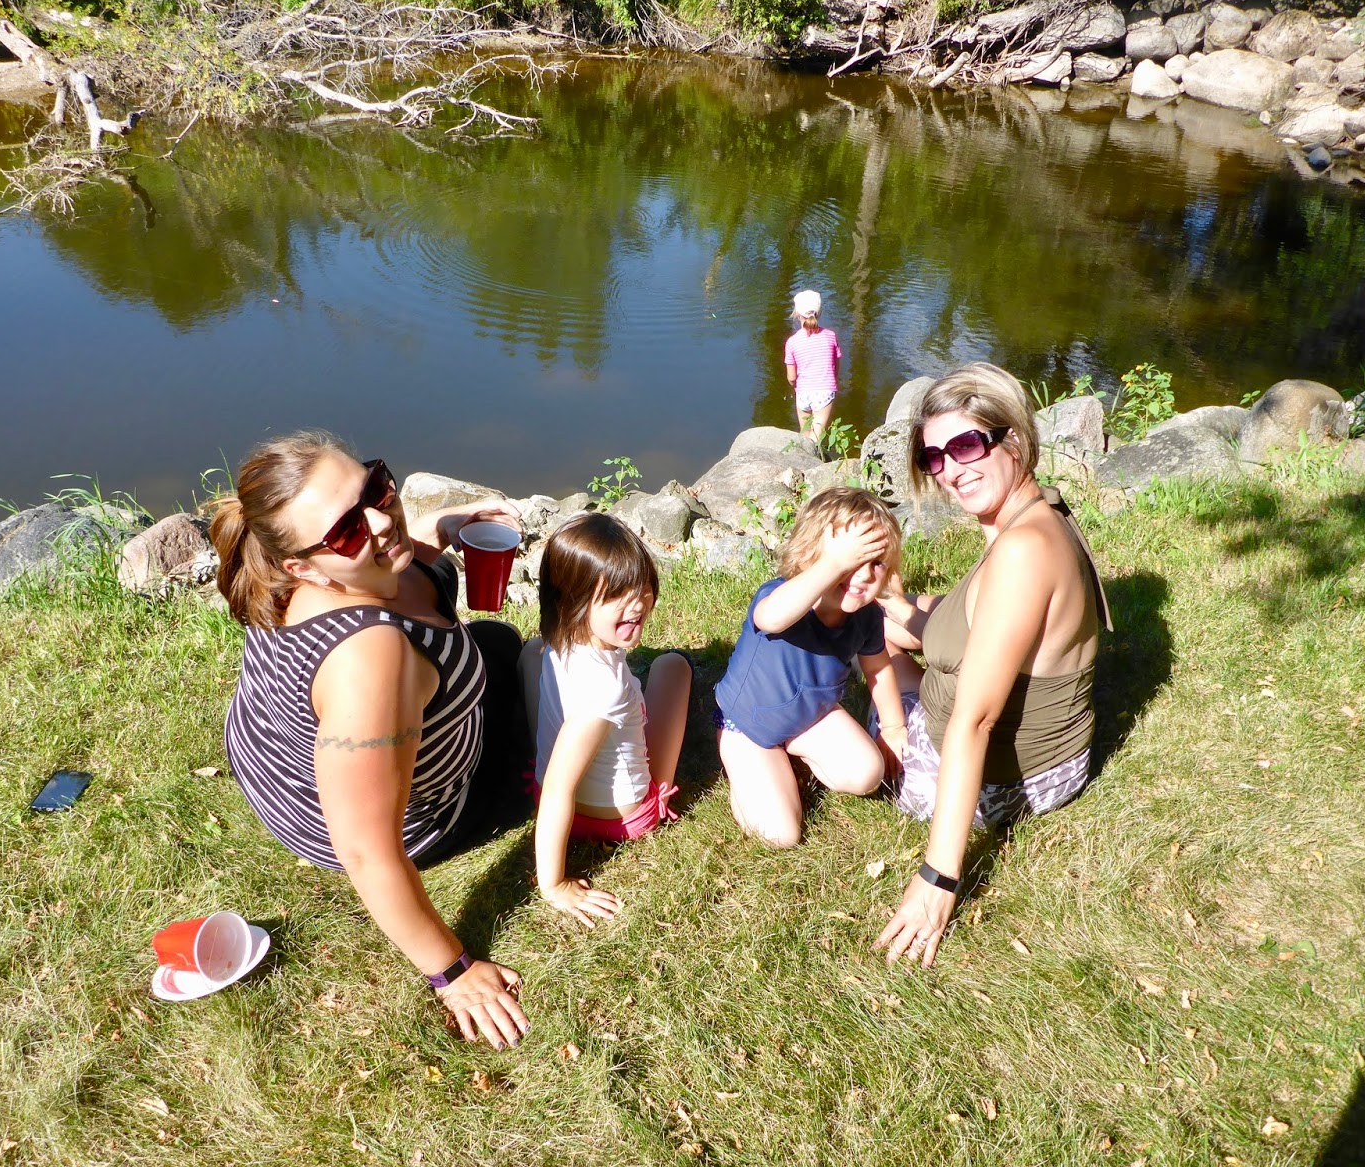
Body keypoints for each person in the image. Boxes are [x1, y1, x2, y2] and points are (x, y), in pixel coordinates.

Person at [210, 431, 532, 1050]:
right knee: (543, 711)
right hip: (400, 822)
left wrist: (443, 526)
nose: (381, 521)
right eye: (346, 531)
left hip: (274, 763)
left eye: (376, 489)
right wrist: (453, 973)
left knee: (497, 645)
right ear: (302, 567)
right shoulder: (369, 658)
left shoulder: (291, 571)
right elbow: (365, 850)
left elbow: (390, 545)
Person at [869, 362, 1112, 970]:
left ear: (1015, 439)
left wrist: (938, 878)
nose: (950, 470)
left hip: (1004, 780)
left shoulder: (1023, 550)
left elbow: (973, 721)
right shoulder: (1036, 514)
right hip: (1048, 754)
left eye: (966, 445)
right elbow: (981, 620)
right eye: (934, 457)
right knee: (882, 620)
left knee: (857, 642)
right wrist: (903, 609)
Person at [521, 514, 692, 928]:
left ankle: (542, 745)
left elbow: (554, 785)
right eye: (617, 594)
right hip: (620, 818)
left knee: (529, 653)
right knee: (672, 667)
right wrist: (554, 884)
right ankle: (655, 797)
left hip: (542, 789)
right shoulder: (605, 689)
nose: (638, 604)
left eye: (643, 586)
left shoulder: (557, 639)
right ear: (575, 601)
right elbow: (560, 788)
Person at [714, 487, 910, 849]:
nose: (863, 575)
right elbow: (771, 619)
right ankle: (745, 776)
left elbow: (878, 669)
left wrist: (894, 726)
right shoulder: (781, 596)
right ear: (808, 556)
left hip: (810, 717)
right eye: (849, 561)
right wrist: (833, 564)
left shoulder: (866, 616)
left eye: (876, 563)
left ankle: (794, 755)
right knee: (781, 835)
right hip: (748, 727)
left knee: (868, 773)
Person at [784, 289, 841, 445]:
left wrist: (795, 386)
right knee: (817, 435)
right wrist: (834, 380)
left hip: (803, 391)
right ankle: (815, 458)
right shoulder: (830, 336)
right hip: (825, 391)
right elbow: (835, 366)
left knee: (804, 433)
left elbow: (791, 377)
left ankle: (802, 456)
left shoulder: (792, 342)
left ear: (797, 314)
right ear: (819, 312)